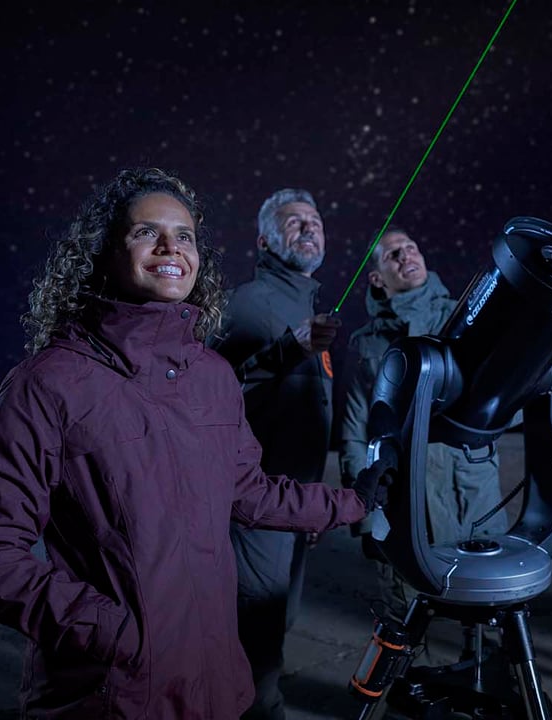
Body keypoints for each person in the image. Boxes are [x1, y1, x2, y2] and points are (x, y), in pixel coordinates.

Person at [0, 168, 389, 720]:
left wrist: (353, 501)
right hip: (114, 693)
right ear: (105, 252)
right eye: (145, 233)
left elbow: (248, 491)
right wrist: (116, 633)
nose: (170, 247)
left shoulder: (211, 376)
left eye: (185, 235)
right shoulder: (49, 384)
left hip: (216, 683)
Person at [207, 188, 341, 720]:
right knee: (257, 635)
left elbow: (304, 418)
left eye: (315, 219)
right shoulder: (245, 303)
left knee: (277, 623)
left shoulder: (307, 305)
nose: (309, 227)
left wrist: (312, 496)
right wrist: (289, 349)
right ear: (264, 240)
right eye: (294, 221)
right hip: (256, 505)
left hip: (294, 502)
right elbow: (207, 399)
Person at [338, 228, 509, 619]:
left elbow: (504, 403)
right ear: (378, 278)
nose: (406, 256)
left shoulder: (469, 317)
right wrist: (363, 511)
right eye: (393, 255)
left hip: (470, 493)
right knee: (403, 619)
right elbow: (355, 426)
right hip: (403, 496)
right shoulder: (367, 343)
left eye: (412, 248)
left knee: (487, 615)